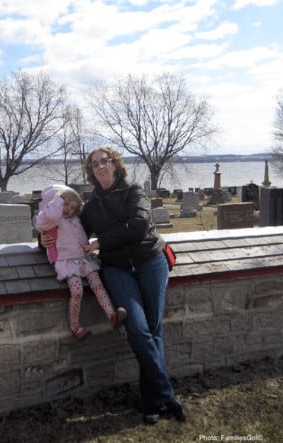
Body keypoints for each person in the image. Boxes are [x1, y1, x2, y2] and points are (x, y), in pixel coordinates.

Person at [43, 147, 187, 425]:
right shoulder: (91, 204)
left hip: (150, 261)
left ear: (115, 165)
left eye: (104, 161)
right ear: (91, 170)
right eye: (94, 163)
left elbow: (140, 224)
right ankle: (167, 393)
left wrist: (101, 242)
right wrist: (44, 240)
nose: (100, 167)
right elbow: (68, 227)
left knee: (154, 329)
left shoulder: (133, 190)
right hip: (117, 268)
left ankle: (152, 402)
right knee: (137, 327)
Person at [36, 184, 127, 340]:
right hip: (67, 262)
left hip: (84, 260)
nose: (67, 209)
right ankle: (75, 327)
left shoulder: (76, 220)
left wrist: (88, 247)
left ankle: (112, 316)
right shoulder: (54, 221)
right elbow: (45, 218)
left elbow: (82, 236)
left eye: (72, 207)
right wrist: (59, 198)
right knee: (77, 292)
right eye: (65, 205)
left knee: (98, 285)